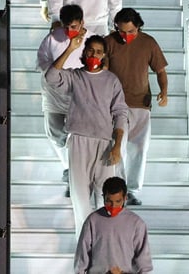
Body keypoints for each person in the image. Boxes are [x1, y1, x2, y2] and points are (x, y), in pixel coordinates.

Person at [45, 34, 129, 233]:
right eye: (90, 50)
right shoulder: (74, 76)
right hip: (79, 141)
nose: (94, 55)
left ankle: (105, 242)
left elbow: (120, 113)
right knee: (80, 197)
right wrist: (70, 49)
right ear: (84, 53)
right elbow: (51, 77)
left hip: (104, 143)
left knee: (105, 196)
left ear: (104, 56)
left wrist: (117, 146)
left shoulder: (111, 80)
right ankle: (84, 245)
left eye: (99, 52)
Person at [103, 8, 168, 206]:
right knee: (118, 146)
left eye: (130, 32)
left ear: (138, 27)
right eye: (122, 32)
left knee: (139, 147)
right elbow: (103, 71)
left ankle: (131, 188)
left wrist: (164, 91)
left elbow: (160, 70)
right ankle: (120, 187)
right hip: (116, 104)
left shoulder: (148, 42)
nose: (126, 36)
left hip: (141, 103)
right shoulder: (109, 41)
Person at [35, 3, 94, 194]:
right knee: (55, 134)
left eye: (74, 27)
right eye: (67, 27)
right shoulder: (53, 38)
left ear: (82, 22)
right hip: (54, 95)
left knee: (79, 137)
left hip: (80, 95)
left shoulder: (92, 39)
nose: (70, 31)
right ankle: (69, 169)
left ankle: (77, 176)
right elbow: (45, 66)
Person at [74, 176, 153, 274]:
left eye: (118, 201)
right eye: (109, 201)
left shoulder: (137, 224)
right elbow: (82, 257)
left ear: (125, 198)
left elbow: (144, 263)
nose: (113, 206)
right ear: (103, 197)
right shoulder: (92, 221)